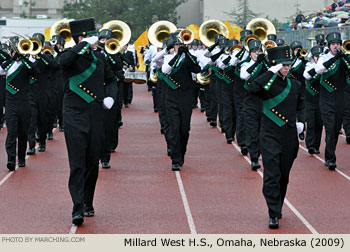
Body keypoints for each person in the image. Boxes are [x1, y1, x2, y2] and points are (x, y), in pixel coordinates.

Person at [58, 18, 117, 226]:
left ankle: (88, 202)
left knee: (92, 161)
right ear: (81, 38)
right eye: (92, 36)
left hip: (95, 113)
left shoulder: (100, 58)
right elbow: (63, 62)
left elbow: (111, 80)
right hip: (74, 114)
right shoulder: (70, 56)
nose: (96, 40)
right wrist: (82, 44)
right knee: (77, 162)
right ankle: (77, 208)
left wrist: (110, 96)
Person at [248, 46, 304, 229]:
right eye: (283, 65)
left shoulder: (295, 84)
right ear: (274, 65)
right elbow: (252, 88)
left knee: (284, 175)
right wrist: (270, 72)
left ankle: (278, 204)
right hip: (270, 134)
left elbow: (301, 106)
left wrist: (302, 122)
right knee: (272, 175)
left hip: (289, 136)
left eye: (288, 65)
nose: (287, 68)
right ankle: (273, 212)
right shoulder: (267, 83)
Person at [0, 36, 40, 171]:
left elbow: (36, 71)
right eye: (16, 52)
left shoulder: (27, 65)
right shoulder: (9, 64)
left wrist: (23, 58)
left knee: (23, 133)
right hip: (11, 104)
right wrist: (12, 58)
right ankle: (11, 159)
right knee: (11, 133)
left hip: (24, 103)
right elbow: (1, 69)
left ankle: (21, 158)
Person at [162, 36, 201, 171]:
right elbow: (165, 70)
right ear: (173, 46)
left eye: (181, 44)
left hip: (185, 97)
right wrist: (177, 56)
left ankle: (181, 153)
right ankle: (175, 158)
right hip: (172, 97)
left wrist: (187, 54)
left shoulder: (189, 59)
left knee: (184, 130)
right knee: (174, 128)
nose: (179, 46)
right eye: (177, 44)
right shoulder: (168, 58)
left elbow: (197, 69)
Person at [315, 32, 350, 170]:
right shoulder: (324, 57)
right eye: (333, 44)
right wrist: (335, 58)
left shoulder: (343, 58)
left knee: (336, 129)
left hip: (340, 98)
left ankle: (330, 152)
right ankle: (330, 158)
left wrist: (344, 58)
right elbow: (319, 69)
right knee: (329, 128)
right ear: (329, 45)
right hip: (326, 99)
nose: (336, 46)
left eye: (338, 44)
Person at [240, 39, 269, 170]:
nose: (257, 53)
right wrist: (257, 63)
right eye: (254, 51)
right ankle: (254, 157)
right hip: (250, 101)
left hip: (264, 100)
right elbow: (244, 76)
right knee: (252, 129)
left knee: (263, 130)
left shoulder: (265, 64)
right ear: (250, 53)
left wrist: (265, 62)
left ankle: (262, 152)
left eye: (259, 51)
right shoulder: (246, 64)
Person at [303, 46, 324, 155]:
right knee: (311, 122)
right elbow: (306, 76)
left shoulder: (325, 66)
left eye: (320, 56)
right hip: (310, 98)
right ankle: (310, 145)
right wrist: (317, 65)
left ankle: (316, 145)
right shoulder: (309, 65)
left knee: (319, 123)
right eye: (316, 56)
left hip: (321, 98)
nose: (318, 58)